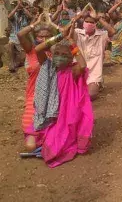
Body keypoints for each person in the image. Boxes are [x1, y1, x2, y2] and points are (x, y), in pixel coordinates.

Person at [30, 20, 94, 168]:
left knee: (59, 143)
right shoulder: (49, 66)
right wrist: (59, 36)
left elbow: (83, 65)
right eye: (56, 53)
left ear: (70, 57)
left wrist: (72, 43)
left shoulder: (72, 71)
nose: (59, 56)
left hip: (67, 113)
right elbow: (38, 49)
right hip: (50, 112)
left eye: (64, 54)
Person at [17, 13, 54, 152]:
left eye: (47, 36)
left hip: (53, 97)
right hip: (34, 97)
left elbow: (68, 34)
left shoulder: (56, 51)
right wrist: (35, 23)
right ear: (35, 37)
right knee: (30, 146)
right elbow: (20, 35)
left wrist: (52, 24)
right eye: (40, 36)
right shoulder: (30, 51)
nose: (44, 39)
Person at [73, 5, 115, 101]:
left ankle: (97, 84)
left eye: (92, 22)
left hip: (93, 74)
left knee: (90, 95)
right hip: (78, 70)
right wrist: (79, 16)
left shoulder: (102, 35)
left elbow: (112, 31)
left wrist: (98, 18)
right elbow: (64, 31)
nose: (88, 24)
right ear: (83, 23)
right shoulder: (77, 33)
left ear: (96, 24)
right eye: (86, 21)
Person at [8, 0, 32, 72]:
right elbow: (9, 16)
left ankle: (18, 62)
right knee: (10, 43)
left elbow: (31, 17)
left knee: (23, 59)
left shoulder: (26, 16)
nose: (19, 9)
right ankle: (12, 62)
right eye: (18, 7)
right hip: (14, 38)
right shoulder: (14, 16)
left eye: (20, 7)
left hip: (24, 39)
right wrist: (17, 6)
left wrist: (23, 7)